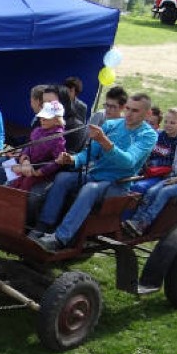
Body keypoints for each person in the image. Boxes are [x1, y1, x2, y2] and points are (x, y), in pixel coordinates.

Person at [30, 93, 157, 251]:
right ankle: (44, 226)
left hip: (118, 184)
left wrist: (105, 142)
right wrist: (72, 159)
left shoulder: (148, 135)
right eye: (128, 109)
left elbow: (129, 162)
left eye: (135, 111)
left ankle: (60, 238)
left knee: (89, 189)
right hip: (95, 175)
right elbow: (90, 153)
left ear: (148, 113)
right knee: (63, 177)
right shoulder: (112, 125)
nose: (129, 114)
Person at [8, 100, 66, 193]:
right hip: (27, 167)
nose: (42, 119)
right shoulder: (37, 131)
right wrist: (25, 159)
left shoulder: (58, 138)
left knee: (25, 185)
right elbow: (29, 146)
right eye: (42, 116)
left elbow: (57, 162)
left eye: (46, 118)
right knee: (13, 182)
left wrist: (39, 172)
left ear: (56, 120)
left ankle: (16, 205)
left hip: (40, 174)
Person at [130, 106, 177, 195]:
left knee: (138, 187)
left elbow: (175, 163)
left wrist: (153, 163)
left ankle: (134, 208)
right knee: (124, 181)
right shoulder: (159, 135)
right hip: (147, 170)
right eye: (166, 122)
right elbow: (148, 153)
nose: (168, 125)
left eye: (172, 123)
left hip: (163, 175)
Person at [44, 84, 84, 152]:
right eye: (44, 103)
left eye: (51, 102)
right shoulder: (45, 119)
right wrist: (25, 157)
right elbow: (31, 142)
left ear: (63, 103)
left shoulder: (75, 128)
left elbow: (66, 159)